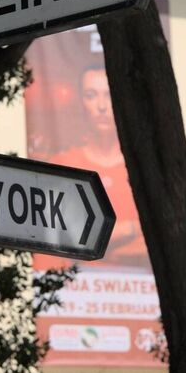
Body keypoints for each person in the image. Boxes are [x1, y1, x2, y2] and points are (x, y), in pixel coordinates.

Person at [47, 66, 147, 266]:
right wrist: (131, 230)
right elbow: (60, 237)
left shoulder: (144, 171)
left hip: (141, 289)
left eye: (108, 95)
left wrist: (98, 241)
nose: (101, 106)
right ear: (82, 102)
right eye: (91, 95)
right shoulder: (62, 164)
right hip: (77, 289)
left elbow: (156, 240)